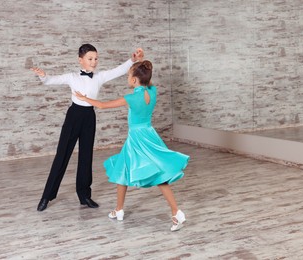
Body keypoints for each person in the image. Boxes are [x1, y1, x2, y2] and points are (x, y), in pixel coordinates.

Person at [74, 60, 189, 231]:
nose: (127, 78)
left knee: (144, 173)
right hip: (149, 134)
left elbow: (103, 105)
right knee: (128, 169)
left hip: (137, 138)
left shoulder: (131, 98)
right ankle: (120, 210)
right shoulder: (153, 91)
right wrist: (141, 64)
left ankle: (176, 212)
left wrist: (84, 98)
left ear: (135, 80)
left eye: (129, 76)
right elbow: (147, 79)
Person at [31, 44, 144, 212]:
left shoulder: (99, 76)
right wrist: (43, 76)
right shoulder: (72, 77)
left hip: (89, 116)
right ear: (80, 60)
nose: (94, 62)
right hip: (74, 116)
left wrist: (132, 60)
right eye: (90, 59)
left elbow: (118, 70)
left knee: (86, 156)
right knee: (62, 155)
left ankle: (84, 195)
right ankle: (47, 196)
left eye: (96, 58)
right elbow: (52, 80)